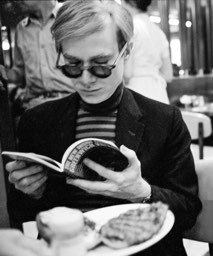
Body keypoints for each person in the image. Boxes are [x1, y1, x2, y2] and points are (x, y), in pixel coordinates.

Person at [5, 1, 201, 255]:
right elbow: (20, 213)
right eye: (73, 65)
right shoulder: (38, 121)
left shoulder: (164, 120)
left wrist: (143, 192)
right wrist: (30, 191)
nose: (86, 79)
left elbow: (188, 211)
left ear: (126, 51)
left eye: (101, 64)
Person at [0, 0, 74, 110]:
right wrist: (3, 72)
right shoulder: (22, 28)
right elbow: (18, 75)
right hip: (34, 106)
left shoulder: (72, 18)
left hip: (70, 104)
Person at [121, 0, 173, 104]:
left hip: (137, 94)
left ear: (129, 3)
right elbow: (168, 75)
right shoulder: (159, 32)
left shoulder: (131, 29)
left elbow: (127, 73)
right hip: (160, 95)